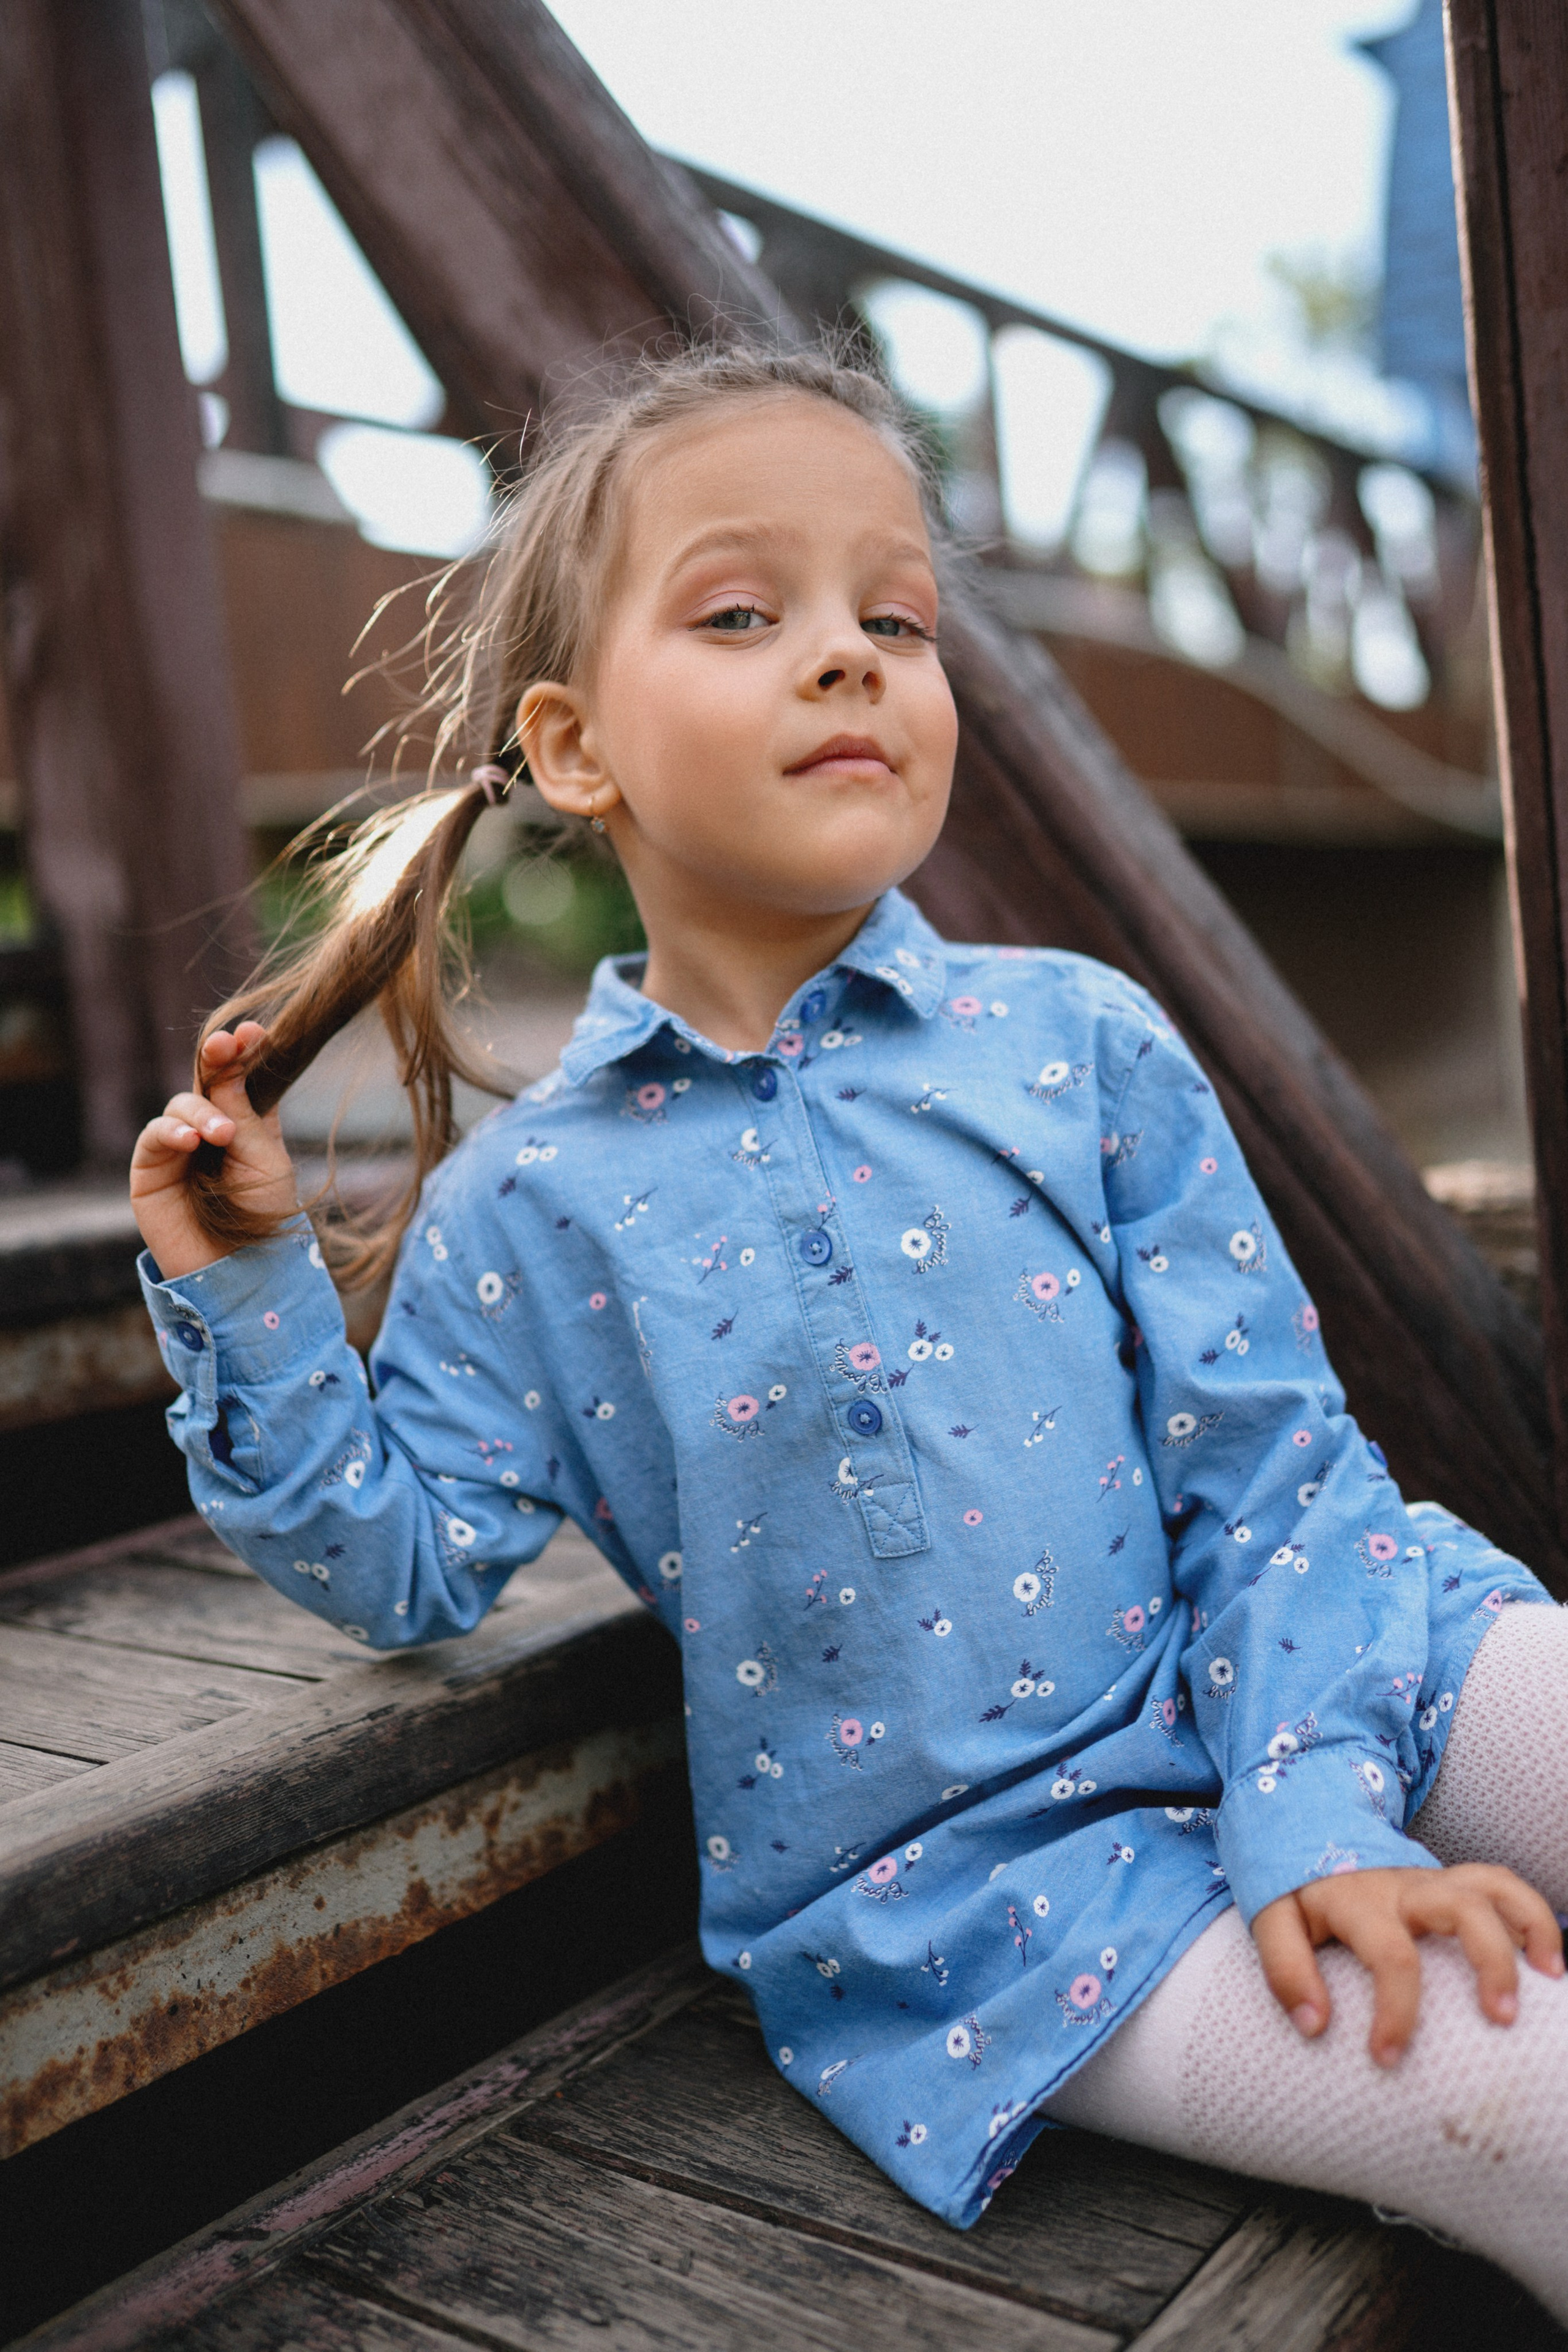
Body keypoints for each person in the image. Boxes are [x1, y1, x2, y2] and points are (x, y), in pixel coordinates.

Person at [131, 342, 1568, 2315]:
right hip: (1003, 1889)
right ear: (573, 746)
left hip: (1343, 1642)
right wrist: (243, 1283)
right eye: (744, 613)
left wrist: (1313, 1802)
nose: (847, 658)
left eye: (896, 618)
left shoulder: (1078, 1040)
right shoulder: (525, 1212)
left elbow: (1275, 1463)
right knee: (1531, 2099)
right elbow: (398, 1562)